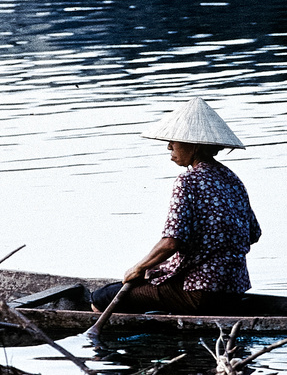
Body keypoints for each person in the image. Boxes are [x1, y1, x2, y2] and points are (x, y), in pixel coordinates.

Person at [90, 98, 262, 316]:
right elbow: (253, 234)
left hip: (199, 294)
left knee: (102, 297)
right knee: (148, 289)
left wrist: (138, 268)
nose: (169, 146)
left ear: (195, 145)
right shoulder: (232, 179)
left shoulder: (187, 181)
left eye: (175, 140)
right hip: (234, 290)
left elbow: (171, 242)